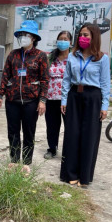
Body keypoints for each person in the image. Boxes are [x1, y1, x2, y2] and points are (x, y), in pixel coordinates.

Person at [60, 23, 110, 188]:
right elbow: (66, 79)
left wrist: (104, 106)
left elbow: (105, 84)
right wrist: (64, 100)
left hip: (93, 97)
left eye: (86, 35)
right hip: (74, 96)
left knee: (89, 137)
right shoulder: (73, 57)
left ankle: (85, 176)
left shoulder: (102, 58)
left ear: (94, 37)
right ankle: (70, 173)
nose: (82, 38)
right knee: (72, 134)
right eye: (81, 34)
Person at [0, 20, 49, 165]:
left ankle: (26, 163)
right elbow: (5, 75)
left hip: (31, 102)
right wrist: (0, 95)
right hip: (12, 101)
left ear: (33, 38)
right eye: (21, 34)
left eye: (26, 34)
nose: (22, 37)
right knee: (13, 132)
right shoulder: (13, 55)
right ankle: (13, 160)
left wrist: (42, 100)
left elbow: (45, 80)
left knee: (28, 133)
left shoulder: (40, 56)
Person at [44, 30, 72, 159]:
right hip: (51, 98)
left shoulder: (74, 58)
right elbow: (44, 76)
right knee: (52, 125)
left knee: (70, 126)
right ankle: (52, 148)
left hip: (68, 99)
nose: (63, 41)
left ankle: (68, 150)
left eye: (66, 39)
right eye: (61, 39)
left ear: (70, 42)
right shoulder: (51, 57)